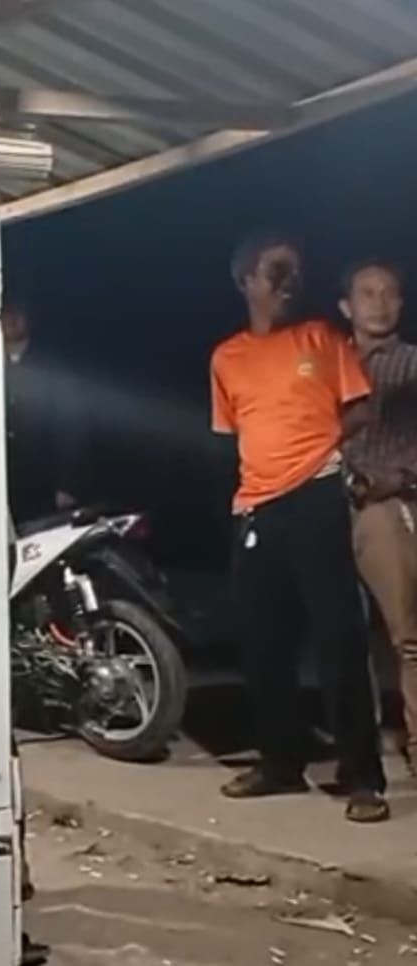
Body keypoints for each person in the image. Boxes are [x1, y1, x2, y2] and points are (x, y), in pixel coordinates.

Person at [210, 234, 387, 823]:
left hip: (317, 496)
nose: (290, 283)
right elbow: (232, 432)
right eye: (276, 272)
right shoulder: (227, 357)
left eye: (296, 272)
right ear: (246, 282)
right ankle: (280, 763)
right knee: (265, 643)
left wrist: (322, 450)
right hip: (256, 507)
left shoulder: (321, 339)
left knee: (339, 639)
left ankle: (363, 777)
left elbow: (360, 407)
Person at [339, 259, 416, 776]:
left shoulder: (411, 365)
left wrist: (402, 478)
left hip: (388, 509)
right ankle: (358, 750)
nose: (380, 303)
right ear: (346, 306)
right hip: (327, 508)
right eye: (367, 293)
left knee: (407, 634)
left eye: (389, 293)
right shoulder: (326, 363)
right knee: (343, 638)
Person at [2, 299, 82, 525]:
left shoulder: (51, 366)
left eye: (18, 313)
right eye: (6, 313)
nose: (11, 320)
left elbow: (72, 428)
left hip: (42, 483)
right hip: (0, 484)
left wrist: (67, 485)